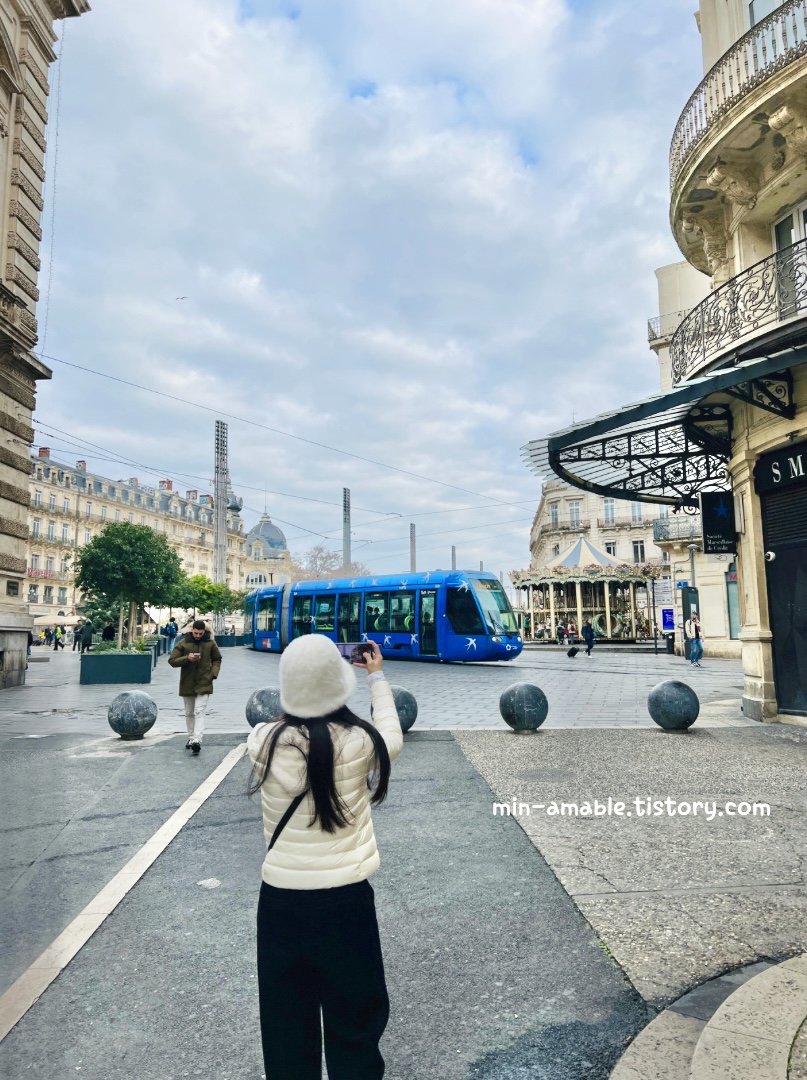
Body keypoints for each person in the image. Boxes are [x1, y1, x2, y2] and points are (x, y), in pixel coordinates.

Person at [247, 636, 402, 1080]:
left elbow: (287, 723)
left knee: (285, 1027)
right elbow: (392, 733)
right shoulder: (361, 742)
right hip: (345, 903)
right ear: (339, 683)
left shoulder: (262, 741)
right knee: (355, 1023)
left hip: (280, 904)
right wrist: (376, 677)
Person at [168, 619, 222, 754]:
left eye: (200, 633)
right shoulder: (183, 643)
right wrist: (187, 658)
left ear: (204, 631)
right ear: (192, 630)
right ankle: (191, 737)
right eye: (196, 633)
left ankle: (197, 739)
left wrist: (213, 674)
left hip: (205, 681)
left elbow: (217, 659)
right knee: (189, 712)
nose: (198, 635)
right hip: (188, 682)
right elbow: (172, 661)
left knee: (200, 711)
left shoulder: (210, 643)